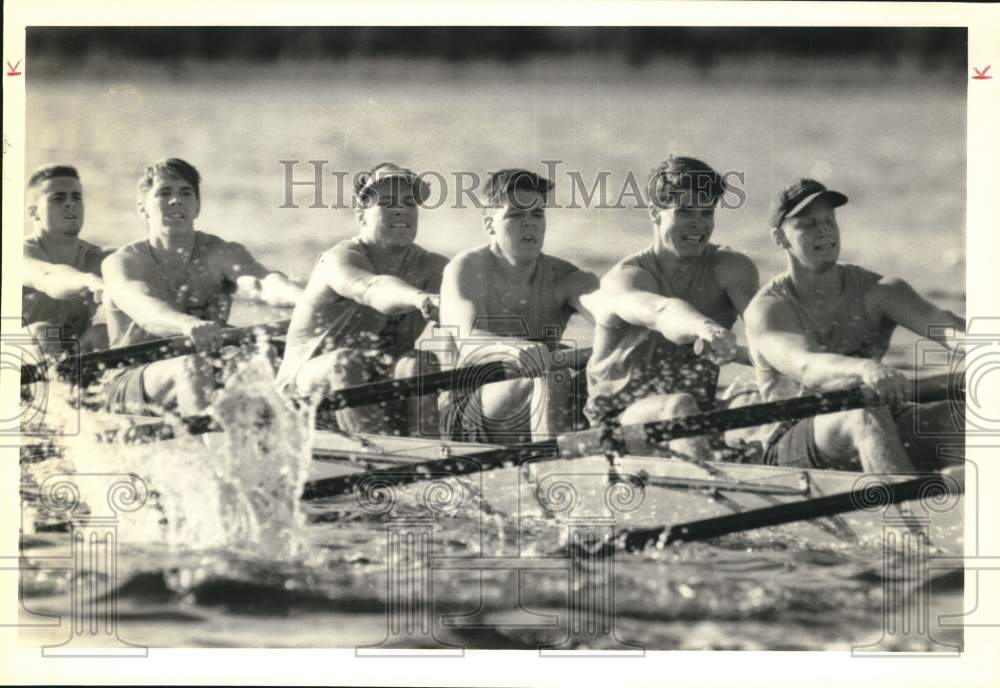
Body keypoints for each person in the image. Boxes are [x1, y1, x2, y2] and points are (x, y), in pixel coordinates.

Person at [734, 178, 965, 473]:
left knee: (953, 415)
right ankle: (902, 515)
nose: (825, 230)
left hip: (879, 412)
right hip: (794, 436)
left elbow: (947, 327)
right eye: (808, 224)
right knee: (863, 414)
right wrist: (864, 369)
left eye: (829, 220)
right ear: (780, 238)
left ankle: (967, 508)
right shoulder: (768, 309)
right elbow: (806, 366)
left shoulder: (880, 291)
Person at [583, 155, 760, 462]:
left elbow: (769, 331)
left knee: (760, 398)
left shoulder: (733, 269)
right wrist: (706, 328)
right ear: (655, 213)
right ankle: (713, 492)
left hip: (696, 415)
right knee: (677, 406)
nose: (698, 224)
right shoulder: (625, 279)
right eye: (685, 212)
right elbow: (664, 312)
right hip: (618, 423)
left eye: (706, 213)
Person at [101, 158, 303, 415]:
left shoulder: (221, 252)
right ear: (143, 209)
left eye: (185, 193)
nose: (176, 200)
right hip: (130, 379)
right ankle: (208, 453)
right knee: (191, 366)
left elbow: (263, 283)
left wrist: (309, 300)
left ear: (196, 207)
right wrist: (185, 324)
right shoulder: (123, 262)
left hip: (204, 370)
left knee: (266, 360)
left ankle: (267, 444)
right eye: (164, 193)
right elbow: (145, 311)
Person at [276, 162, 448, 436]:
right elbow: (372, 288)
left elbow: (484, 300)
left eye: (408, 202)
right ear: (361, 215)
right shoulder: (337, 260)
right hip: (302, 397)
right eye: (387, 203)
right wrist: (420, 298)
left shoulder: (431, 266)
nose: (401, 209)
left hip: (371, 394)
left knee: (419, 363)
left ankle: (428, 454)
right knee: (345, 363)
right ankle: (380, 459)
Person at [437, 169, 599, 444]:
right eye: (516, 215)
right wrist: (516, 349)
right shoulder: (466, 269)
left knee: (601, 374)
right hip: (467, 409)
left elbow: (609, 316)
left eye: (537, 215)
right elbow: (468, 340)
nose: (529, 224)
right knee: (555, 372)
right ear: (489, 223)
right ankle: (549, 470)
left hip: (538, 397)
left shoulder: (567, 277)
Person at [22, 164, 113, 356]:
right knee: (45, 332)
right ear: (33, 212)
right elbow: (50, 277)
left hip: (69, 352)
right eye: (58, 198)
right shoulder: (19, 253)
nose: (70, 203)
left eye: (76, 197)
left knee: (103, 334)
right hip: (15, 350)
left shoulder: (99, 257)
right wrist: (89, 280)